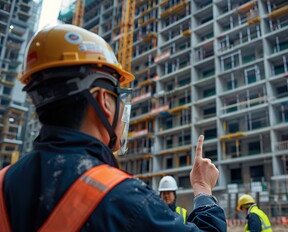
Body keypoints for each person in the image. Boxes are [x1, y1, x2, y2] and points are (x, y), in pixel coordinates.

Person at [0, 24, 226, 231]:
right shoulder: (124, 200)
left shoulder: (4, 183)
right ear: (103, 101)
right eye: (118, 97)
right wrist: (203, 188)